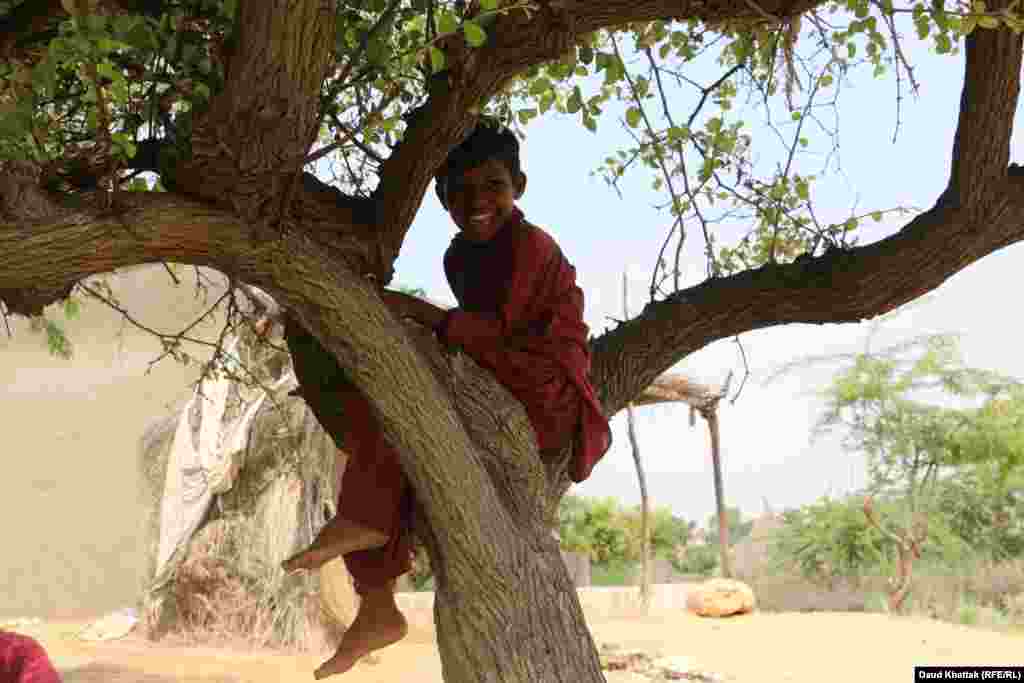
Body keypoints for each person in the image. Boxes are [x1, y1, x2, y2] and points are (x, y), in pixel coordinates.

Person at [281, 122, 612, 679]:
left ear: (519, 186)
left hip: (544, 394)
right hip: (497, 377)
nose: (477, 202)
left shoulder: (533, 246)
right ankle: (378, 601)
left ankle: (362, 520)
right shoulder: (459, 255)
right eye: (459, 192)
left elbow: (499, 335)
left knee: (405, 402)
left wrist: (429, 319)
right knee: (405, 430)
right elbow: (476, 338)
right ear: (441, 199)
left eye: (493, 186)